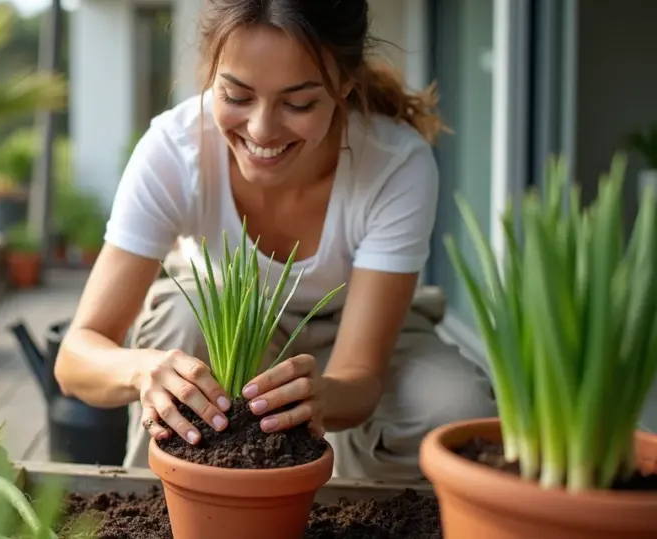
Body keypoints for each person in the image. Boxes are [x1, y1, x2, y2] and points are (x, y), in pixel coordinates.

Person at [53, 0, 497, 481]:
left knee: (455, 406)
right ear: (210, 74)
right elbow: (76, 358)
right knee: (185, 323)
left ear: (344, 86)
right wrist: (142, 370)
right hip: (225, 325)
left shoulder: (394, 163)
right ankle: (164, 509)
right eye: (237, 96)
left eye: (299, 103)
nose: (262, 130)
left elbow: (361, 375)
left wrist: (323, 395)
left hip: (355, 327)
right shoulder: (176, 149)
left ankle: (355, 500)